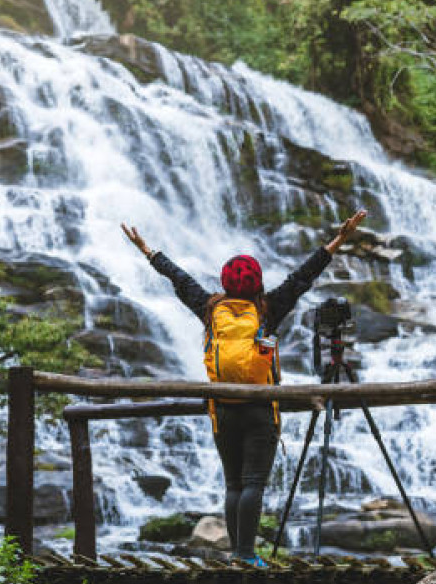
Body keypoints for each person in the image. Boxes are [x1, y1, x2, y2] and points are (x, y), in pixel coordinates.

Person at [121, 209, 367, 565]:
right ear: (257, 283)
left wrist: (147, 250)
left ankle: (239, 553)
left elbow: (179, 278)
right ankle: (245, 554)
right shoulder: (267, 309)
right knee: (253, 482)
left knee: (234, 484)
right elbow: (303, 277)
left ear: (225, 283)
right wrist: (339, 239)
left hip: (222, 409)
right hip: (260, 408)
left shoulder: (210, 308)